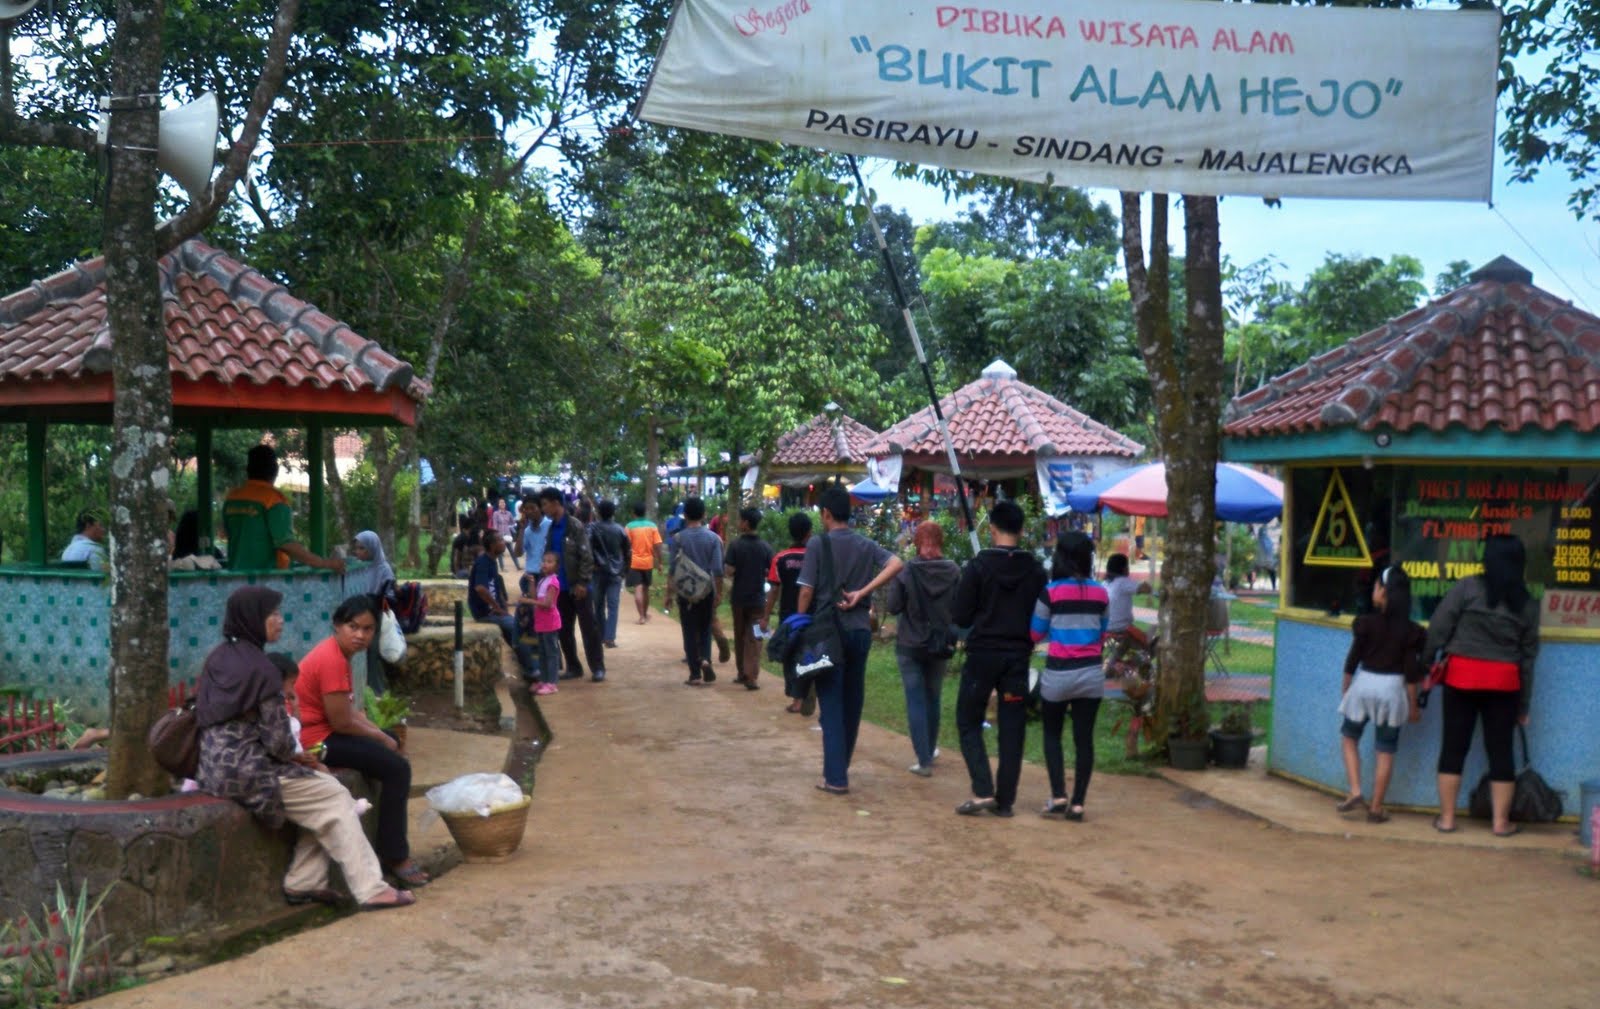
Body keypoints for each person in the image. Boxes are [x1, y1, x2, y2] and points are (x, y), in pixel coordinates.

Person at [197, 587, 413, 910]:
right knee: (336, 798)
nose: (280, 622)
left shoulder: (219, 657)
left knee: (325, 795)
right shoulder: (262, 670)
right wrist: (302, 759)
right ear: (253, 619)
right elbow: (279, 742)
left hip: (213, 768)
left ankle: (304, 882)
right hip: (252, 771)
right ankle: (371, 888)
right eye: (273, 615)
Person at [295, 595, 430, 888]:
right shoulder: (331, 659)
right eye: (353, 627)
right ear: (337, 626)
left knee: (390, 744)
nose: (360, 635)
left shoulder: (339, 656)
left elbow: (350, 712)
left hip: (329, 731)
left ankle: (385, 838)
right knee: (397, 769)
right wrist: (381, 738)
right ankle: (395, 855)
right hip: (317, 741)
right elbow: (341, 722)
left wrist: (384, 737)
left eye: (367, 629)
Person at [1426, 533, 1540, 837]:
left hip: (1461, 677)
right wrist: (1524, 705)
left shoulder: (1467, 588)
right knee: (1501, 752)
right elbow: (1528, 659)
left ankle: (1447, 819)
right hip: (1504, 684)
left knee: (1453, 747)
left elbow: (1438, 626)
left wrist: (1426, 661)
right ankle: (1500, 824)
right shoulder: (1527, 604)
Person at [796, 486, 904, 794]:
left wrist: (800, 625)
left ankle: (836, 778)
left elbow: (805, 590)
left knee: (831, 702)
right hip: (859, 631)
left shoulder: (819, 544)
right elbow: (897, 563)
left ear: (826, 514)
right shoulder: (865, 543)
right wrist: (863, 593)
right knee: (853, 700)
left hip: (829, 633)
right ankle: (840, 766)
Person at [951, 500, 1047, 818]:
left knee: (968, 719)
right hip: (1017, 657)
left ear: (991, 528)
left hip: (982, 655)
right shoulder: (1035, 570)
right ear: (1021, 530)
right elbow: (1041, 616)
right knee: (1012, 725)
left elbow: (961, 614)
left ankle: (982, 789)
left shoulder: (978, 567)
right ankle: (1005, 801)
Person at [1336, 565, 1425, 824]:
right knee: (1385, 750)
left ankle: (1355, 790)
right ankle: (1376, 808)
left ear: (1384, 593)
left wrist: (1346, 687)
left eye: (1376, 586)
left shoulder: (1366, 624)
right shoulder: (1410, 631)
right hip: (1392, 691)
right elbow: (1411, 673)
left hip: (1364, 685)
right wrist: (1413, 706)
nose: (1373, 590)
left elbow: (1352, 660)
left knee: (1349, 737)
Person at [1030, 532, 1109, 821]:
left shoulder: (1050, 592)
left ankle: (1058, 796)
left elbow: (1035, 633)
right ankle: (1078, 804)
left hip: (1058, 676)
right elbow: (1102, 633)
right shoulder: (1101, 593)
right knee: (1084, 740)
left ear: (1060, 557)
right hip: (1091, 675)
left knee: (1052, 735)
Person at [884, 520, 960, 776]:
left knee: (915, 700)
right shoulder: (953, 571)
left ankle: (924, 759)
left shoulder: (906, 572)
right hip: (940, 644)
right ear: (941, 542)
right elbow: (961, 608)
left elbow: (893, 606)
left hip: (910, 644)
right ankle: (930, 747)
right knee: (933, 698)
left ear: (917, 542)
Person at [222, 445, 344, 573]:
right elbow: (286, 544)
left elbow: (226, 533)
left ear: (247, 470)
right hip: (268, 579)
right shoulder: (273, 499)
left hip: (234, 579)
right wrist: (323, 563)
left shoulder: (232, 498)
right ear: (275, 470)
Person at [540, 487, 606, 682]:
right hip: (559, 588)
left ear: (555, 503)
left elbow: (586, 556)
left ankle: (597, 667)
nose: (543, 508)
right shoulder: (552, 528)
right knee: (564, 629)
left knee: (589, 629)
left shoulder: (575, 526)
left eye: (545, 504)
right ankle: (573, 666)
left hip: (579, 587)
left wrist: (583, 582)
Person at [469, 531, 538, 680]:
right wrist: (497, 607)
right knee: (519, 629)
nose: (504, 543)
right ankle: (532, 669)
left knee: (517, 631)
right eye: (500, 540)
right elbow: (480, 588)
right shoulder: (483, 562)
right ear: (492, 545)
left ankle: (529, 667)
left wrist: (503, 606)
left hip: (493, 611)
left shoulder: (491, 561)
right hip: (485, 613)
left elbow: (496, 586)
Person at [763, 511, 813, 714]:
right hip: (813, 613)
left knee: (790, 655)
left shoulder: (780, 558)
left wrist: (766, 615)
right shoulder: (815, 556)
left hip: (789, 616)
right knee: (810, 652)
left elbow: (774, 589)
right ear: (809, 532)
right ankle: (809, 687)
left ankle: (797, 700)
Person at [672, 497, 725, 686]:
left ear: (685, 515)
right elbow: (718, 569)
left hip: (685, 593)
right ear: (704, 515)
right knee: (704, 628)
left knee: (688, 630)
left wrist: (668, 595)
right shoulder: (713, 539)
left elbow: (673, 569)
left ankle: (694, 673)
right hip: (707, 590)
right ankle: (705, 659)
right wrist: (719, 592)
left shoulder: (678, 539)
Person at [724, 507, 775, 691]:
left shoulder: (736, 545)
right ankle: (752, 676)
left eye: (740, 520)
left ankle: (741, 673)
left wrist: (737, 570)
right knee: (756, 638)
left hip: (739, 598)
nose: (739, 523)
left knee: (740, 635)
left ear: (745, 523)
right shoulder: (766, 547)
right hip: (758, 600)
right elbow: (772, 572)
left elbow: (728, 571)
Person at [351, 530, 397, 696]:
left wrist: (374, 600)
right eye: (357, 548)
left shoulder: (384, 570)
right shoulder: (358, 568)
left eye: (363, 548)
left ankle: (377, 693)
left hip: (374, 616)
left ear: (373, 548)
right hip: (358, 616)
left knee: (373, 655)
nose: (358, 552)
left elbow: (390, 596)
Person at [588, 500, 630, 649]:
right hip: (616, 572)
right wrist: (625, 570)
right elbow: (627, 552)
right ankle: (610, 638)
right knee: (613, 605)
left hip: (598, 571)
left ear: (598, 513)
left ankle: (601, 633)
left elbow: (588, 548)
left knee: (598, 604)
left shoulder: (592, 529)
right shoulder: (620, 530)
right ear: (613, 513)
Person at [528, 551, 564, 696]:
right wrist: (531, 583)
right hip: (541, 622)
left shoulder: (553, 582)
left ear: (556, 567)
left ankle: (552, 683)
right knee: (542, 653)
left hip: (550, 622)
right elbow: (535, 597)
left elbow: (548, 604)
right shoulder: (543, 581)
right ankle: (544, 680)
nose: (545, 564)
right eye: (544, 561)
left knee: (551, 653)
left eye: (550, 562)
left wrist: (529, 602)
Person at [625, 502, 665, 625]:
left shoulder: (629, 527)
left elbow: (625, 546)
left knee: (638, 588)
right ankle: (645, 614)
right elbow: (658, 545)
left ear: (633, 513)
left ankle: (641, 616)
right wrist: (660, 562)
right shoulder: (652, 526)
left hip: (634, 562)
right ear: (644, 512)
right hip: (648, 562)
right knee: (646, 589)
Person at [1103, 553, 1152, 645]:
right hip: (1122, 628)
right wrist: (1145, 582)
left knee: (1126, 643)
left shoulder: (1104, 584)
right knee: (1149, 638)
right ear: (1123, 568)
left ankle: (1113, 659)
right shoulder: (1123, 582)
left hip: (1105, 628)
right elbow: (1146, 589)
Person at [517, 495, 551, 585]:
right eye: (526, 509)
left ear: (540, 508)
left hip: (547, 575)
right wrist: (521, 530)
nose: (529, 511)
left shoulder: (550, 526)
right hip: (531, 575)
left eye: (532, 508)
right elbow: (518, 553)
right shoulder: (526, 531)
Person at [491, 498, 515, 571]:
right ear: (498, 504)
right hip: (500, 535)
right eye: (501, 503)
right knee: (500, 552)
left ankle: (518, 566)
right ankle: (502, 567)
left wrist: (510, 528)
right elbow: (495, 524)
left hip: (507, 534)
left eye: (503, 502)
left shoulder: (509, 513)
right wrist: (496, 534)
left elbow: (513, 522)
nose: (502, 504)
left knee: (511, 550)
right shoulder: (496, 513)